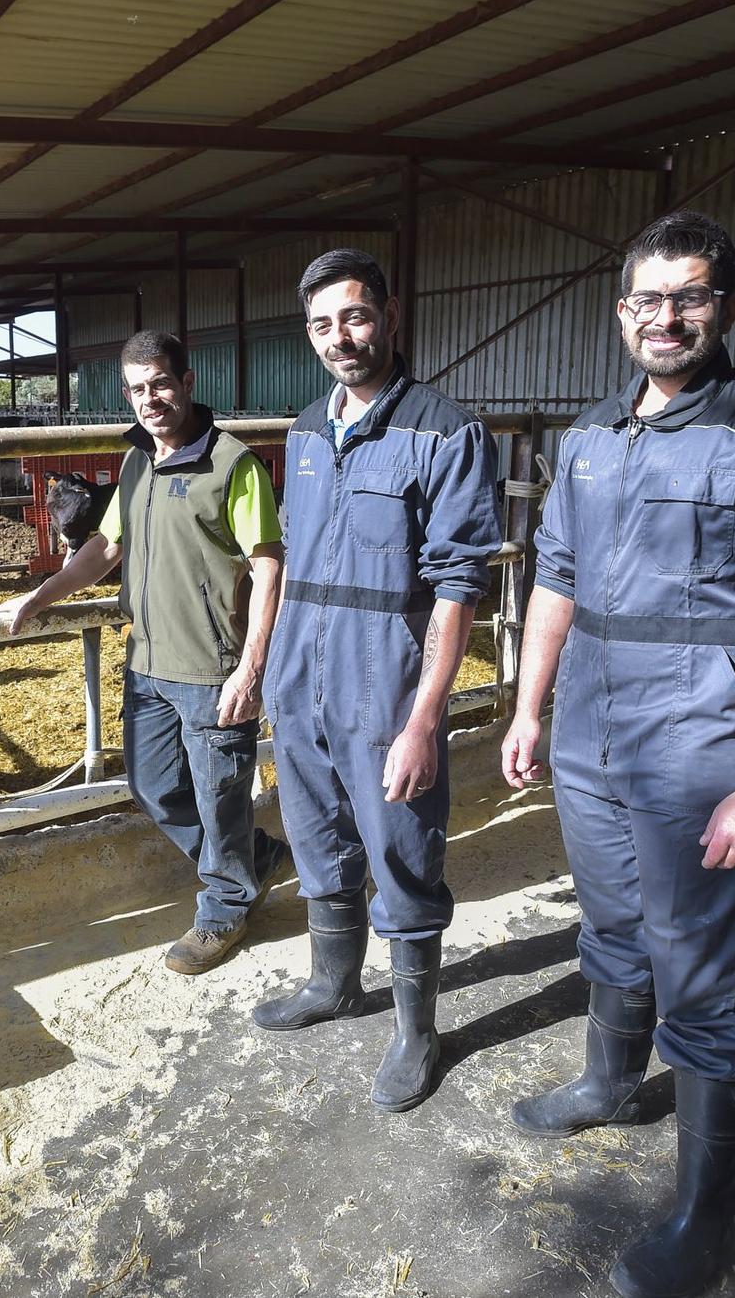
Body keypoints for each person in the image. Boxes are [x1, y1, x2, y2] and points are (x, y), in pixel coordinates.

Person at [500, 211, 735, 1298]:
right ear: (620, 314)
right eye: (646, 301)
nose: (666, 318)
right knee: (608, 926)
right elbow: (553, 578)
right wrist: (524, 710)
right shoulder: (587, 437)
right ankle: (609, 1083)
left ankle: (701, 1226)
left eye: (690, 297)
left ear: (728, 307)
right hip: (590, 731)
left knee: (701, 979)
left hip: (704, 739)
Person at [252, 248, 502, 1113]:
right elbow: (288, 560)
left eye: (355, 317)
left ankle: (417, 1029)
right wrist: (265, 673)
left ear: (390, 316)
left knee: (402, 855)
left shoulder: (445, 431)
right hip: (300, 680)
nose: (340, 338)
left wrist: (426, 717)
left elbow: (460, 585)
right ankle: (334, 983)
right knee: (317, 838)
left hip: (385, 687)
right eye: (322, 325)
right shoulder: (304, 431)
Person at [0, 330, 289, 974]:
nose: (149, 399)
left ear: (187, 382)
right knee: (154, 787)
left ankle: (225, 906)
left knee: (221, 794)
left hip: (213, 666)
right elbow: (104, 550)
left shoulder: (233, 465)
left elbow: (269, 566)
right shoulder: (135, 463)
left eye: (159, 383)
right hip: (148, 663)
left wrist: (252, 665)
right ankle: (253, 859)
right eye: (136, 389)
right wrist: (38, 597)